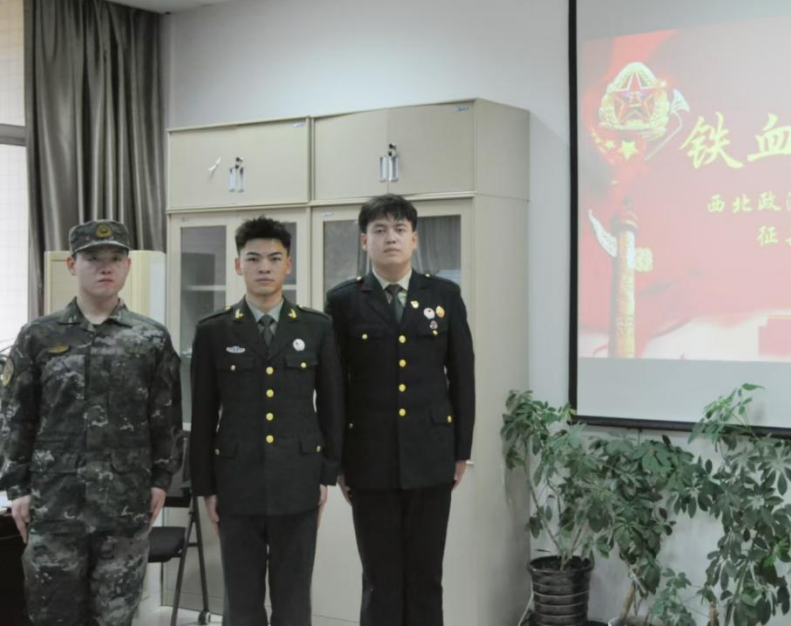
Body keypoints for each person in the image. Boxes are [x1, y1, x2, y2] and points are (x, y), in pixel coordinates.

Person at [0, 219, 182, 625]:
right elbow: (16, 417)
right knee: (53, 615)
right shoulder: (38, 336)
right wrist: (18, 488)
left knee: (115, 617)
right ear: (72, 264)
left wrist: (160, 480)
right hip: (54, 504)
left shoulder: (150, 338)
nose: (105, 267)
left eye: (115, 258)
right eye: (93, 258)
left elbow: (166, 416)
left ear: (127, 266)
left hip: (124, 505)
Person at [325, 195, 475, 626]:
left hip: (431, 456)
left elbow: (462, 377)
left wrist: (460, 451)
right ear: (364, 241)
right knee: (379, 578)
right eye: (379, 230)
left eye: (399, 229)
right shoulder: (344, 301)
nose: (390, 238)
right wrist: (338, 461)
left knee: (426, 576)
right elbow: (334, 388)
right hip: (369, 461)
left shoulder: (444, 295)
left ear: (414, 239)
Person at [189, 216, 343, 626]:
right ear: (238, 265)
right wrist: (206, 487)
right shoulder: (214, 331)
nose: (264, 267)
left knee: (293, 601)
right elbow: (202, 416)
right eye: (253, 258)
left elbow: (332, 406)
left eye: (274, 258)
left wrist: (326, 474)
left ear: (288, 265)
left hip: (299, 480)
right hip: (236, 483)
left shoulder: (316, 327)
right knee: (242, 603)